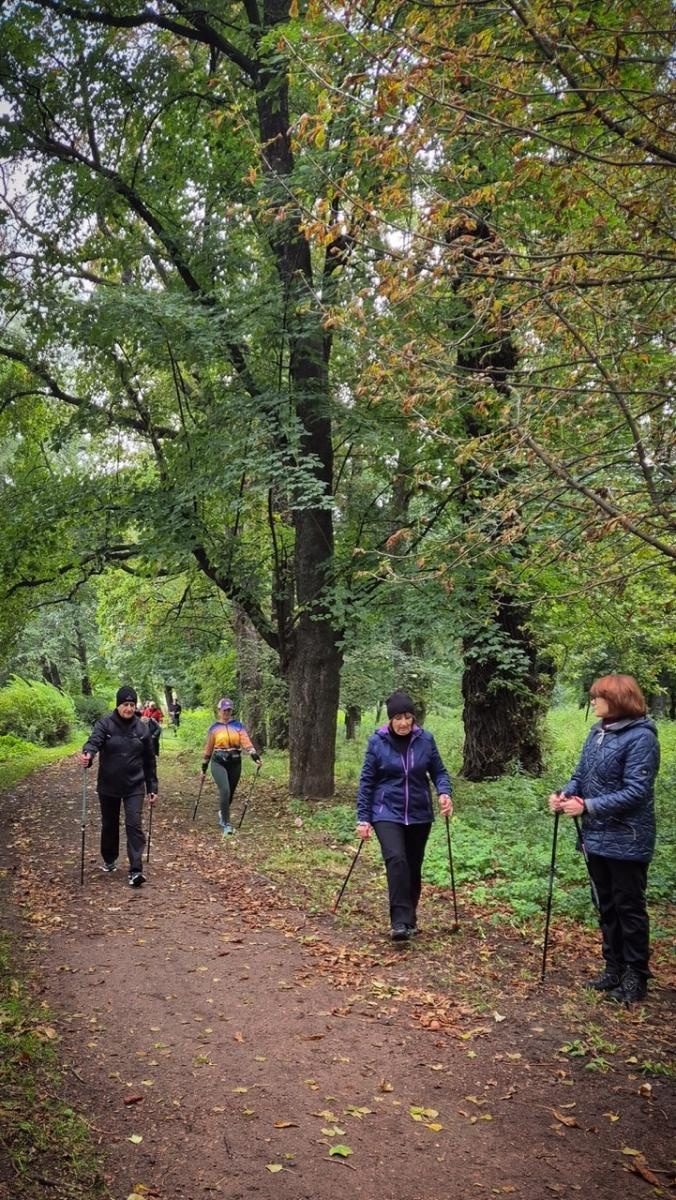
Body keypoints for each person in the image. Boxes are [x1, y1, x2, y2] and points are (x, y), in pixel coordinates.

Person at [548, 674, 660, 1005]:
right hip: (596, 837)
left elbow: (637, 792)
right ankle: (613, 968)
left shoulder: (642, 738)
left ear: (618, 699)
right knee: (605, 904)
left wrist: (588, 806)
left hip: (628, 838)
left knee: (629, 907)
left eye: (598, 697)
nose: (592, 701)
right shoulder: (597, 733)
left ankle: (635, 976)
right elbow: (581, 775)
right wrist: (565, 794)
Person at [355, 691, 452, 941]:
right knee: (396, 859)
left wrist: (444, 792)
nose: (403, 723)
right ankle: (399, 922)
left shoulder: (425, 740)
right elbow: (367, 782)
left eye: (408, 717)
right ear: (390, 719)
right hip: (386, 811)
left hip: (419, 813)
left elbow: (439, 772)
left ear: (413, 718)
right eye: (398, 717)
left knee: (412, 866)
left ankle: (410, 918)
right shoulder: (378, 742)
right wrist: (363, 818)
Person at [80, 685, 158, 887]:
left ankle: (135, 870)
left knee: (134, 824)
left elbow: (150, 761)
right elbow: (93, 742)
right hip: (109, 784)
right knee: (110, 824)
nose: (129, 708)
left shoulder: (142, 729)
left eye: (132, 704)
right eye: (125, 704)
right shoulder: (105, 724)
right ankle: (109, 858)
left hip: (135, 785)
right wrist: (88, 754)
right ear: (118, 705)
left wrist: (152, 788)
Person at [200, 698, 262, 835]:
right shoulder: (214, 728)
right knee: (225, 790)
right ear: (219, 711)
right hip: (218, 762)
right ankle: (226, 824)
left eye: (229, 710)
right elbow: (208, 749)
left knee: (231, 793)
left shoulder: (238, 726)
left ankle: (223, 812)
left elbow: (246, 742)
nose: (227, 712)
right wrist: (204, 768)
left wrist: (254, 756)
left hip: (235, 762)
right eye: (224, 710)